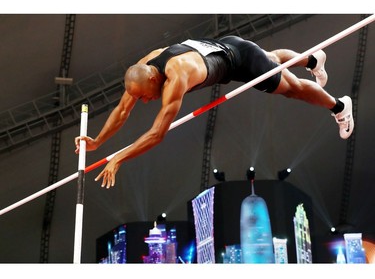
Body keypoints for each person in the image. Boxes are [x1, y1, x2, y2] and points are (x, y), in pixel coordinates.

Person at [74, 35, 354, 189]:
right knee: (269, 59)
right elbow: (122, 110)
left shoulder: (176, 77)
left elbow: (158, 133)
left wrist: (119, 158)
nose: (144, 102)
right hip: (230, 46)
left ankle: (339, 106)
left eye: (144, 96)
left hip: (241, 61)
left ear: (152, 80)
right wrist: (98, 141)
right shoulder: (145, 66)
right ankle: (313, 58)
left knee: (292, 89)